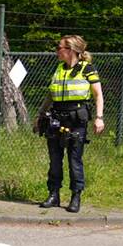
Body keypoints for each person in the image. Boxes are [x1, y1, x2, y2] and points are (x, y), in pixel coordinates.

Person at [33, 35, 105, 213]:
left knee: (74, 159)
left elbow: (98, 94)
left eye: (60, 48)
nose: (57, 51)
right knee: (55, 159)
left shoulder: (87, 69)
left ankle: (76, 196)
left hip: (76, 119)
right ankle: (53, 194)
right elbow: (51, 94)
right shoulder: (59, 68)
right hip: (56, 117)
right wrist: (40, 115)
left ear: (71, 50)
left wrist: (99, 117)